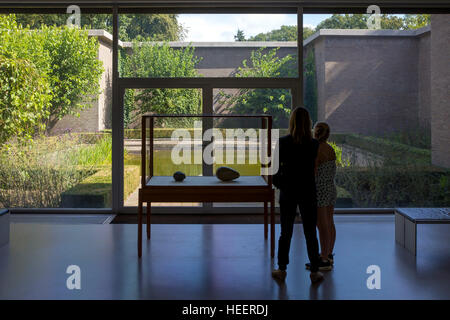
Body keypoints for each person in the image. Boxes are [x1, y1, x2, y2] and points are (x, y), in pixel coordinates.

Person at [271, 107, 324, 284]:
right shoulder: (314, 144)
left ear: (291, 121)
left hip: (289, 191)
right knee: (310, 232)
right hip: (308, 191)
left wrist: (283, 186)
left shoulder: (283, 142)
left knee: (285, 232)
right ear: (309, 122)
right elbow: (314, 170)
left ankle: (282, 269)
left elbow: (274, 173)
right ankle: (315, 271)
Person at [314, 122, 337, 268]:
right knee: (329, 222)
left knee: (321, 225)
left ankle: (322, 258)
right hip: (330, 188)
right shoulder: (331, 149)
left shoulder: (316, 150)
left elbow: (313, 172)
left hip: (320, 190)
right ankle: (328, 253)